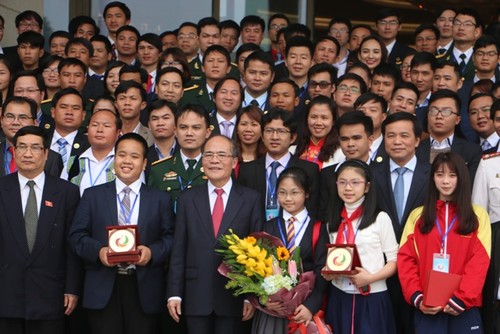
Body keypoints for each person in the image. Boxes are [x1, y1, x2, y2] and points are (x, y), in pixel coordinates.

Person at [69, 133, 174, 334]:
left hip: (144, 287)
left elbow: (170, 238)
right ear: (114, 159)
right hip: (102, 286)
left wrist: (152, 252)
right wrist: (99, 252)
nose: (127, 161)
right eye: (121, 155)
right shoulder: (92, 196)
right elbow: (76, 236)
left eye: (134, 156)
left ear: (144, 163)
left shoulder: (160, 199)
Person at [167, 135, 263, 334]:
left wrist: (250, 296)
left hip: (234, 295)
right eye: (208, 154)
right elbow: (178, 249)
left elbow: (258, 250)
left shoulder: (251, 199)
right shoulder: (187, 198)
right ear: (202, 161)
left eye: (221, 154)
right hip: (195, 294)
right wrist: (174, 294)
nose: (214, 160)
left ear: (234, 161)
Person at [0, 125, 81, 334]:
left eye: (35, 148)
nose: (28, 154)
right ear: (14, 151)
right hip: (6, 292)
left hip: (50, 293)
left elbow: (71, 245)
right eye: (22, 147)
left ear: (46, 154)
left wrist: (72, 288)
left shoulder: (67, 192)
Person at [398, 152, 491, 333]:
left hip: (464, 309)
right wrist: (416, 296)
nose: (445, 181)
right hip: (427, 307)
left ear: (461, 178)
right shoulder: (418, 216)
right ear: (432, 178)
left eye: (452, 175)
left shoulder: (478, 216)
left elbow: (479, 262)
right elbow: (406, 259)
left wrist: (462, 298)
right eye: (440, 175)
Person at [323, 159, 398, 334]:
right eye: (342, 182)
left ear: (367, 187)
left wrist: (371, 278)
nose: (348, 188)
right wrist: (328, 273)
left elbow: (394, 261)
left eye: (355, 182)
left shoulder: (380, 218)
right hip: (339, 295)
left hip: (372, 295)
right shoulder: (332, 222)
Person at [251, 167, 329, 333]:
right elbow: (256, 269)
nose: (288, 198)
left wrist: (310, 306)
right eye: (282, 192)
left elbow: (322, 272)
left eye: (295, 192)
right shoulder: (268, 227)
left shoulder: (318, 228)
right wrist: (263, 299)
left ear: (306, 193)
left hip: (304, 311)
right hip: (273, 310)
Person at [238, 108, 320, 220]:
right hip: (255, 234)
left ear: (293, 138)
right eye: (269, 131)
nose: (274, 137)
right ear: (262, 135)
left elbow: (312, 210)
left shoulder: (309, 170)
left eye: (281, 131)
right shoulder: (247, 170)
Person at [148, 104, 211, 209]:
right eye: (183, 127)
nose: (189, 133)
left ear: (207, 132)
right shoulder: (159, 169)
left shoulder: (215, 167)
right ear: (175, 131)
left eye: (196, 128)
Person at [415, 89, 481, 183]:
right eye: (433, 111)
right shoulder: (415, 149)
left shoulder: (472, 151)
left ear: (457, 120)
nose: (439, 116)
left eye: (446, 111)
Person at [1, 96, 63, 178]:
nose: (15, 122)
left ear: (35, 123)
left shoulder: (52, 158)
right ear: (1, 120)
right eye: (10, 116)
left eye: (23, 117)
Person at [69, 108, 121, 195]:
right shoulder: (73, 162)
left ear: (117, 132)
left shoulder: (123, 162)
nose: (99, 130)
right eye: (95, 125)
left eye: (106, 126)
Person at [48, 88, 90, 180]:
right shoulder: (41, 140)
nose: (69, 112)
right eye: (63, 107)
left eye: (75, 108)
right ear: (53, 112)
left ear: (83, 115)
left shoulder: (90, 145)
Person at [293, 95, 342, 169]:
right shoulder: (292, 150)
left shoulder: (340, 153)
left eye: (324, 118)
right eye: (314, 117)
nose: (318, 123)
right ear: (307, 119)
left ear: (333, 121)